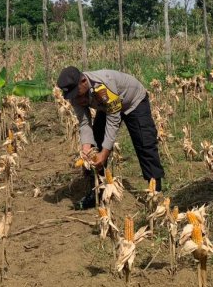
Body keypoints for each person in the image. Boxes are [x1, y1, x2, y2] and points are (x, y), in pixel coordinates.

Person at [56, 66, 165, 210]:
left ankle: (155, 192)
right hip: (107, 107)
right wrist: (86, 149)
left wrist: (105, 153)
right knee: (96, 144)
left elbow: (114, 120)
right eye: (73, 96)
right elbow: (84, 122)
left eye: (78, 94)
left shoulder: (103, 86)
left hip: (133, 102)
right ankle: (99, 190)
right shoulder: (74, 94)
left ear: (83, 81)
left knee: (145, 143)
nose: (77, 99)